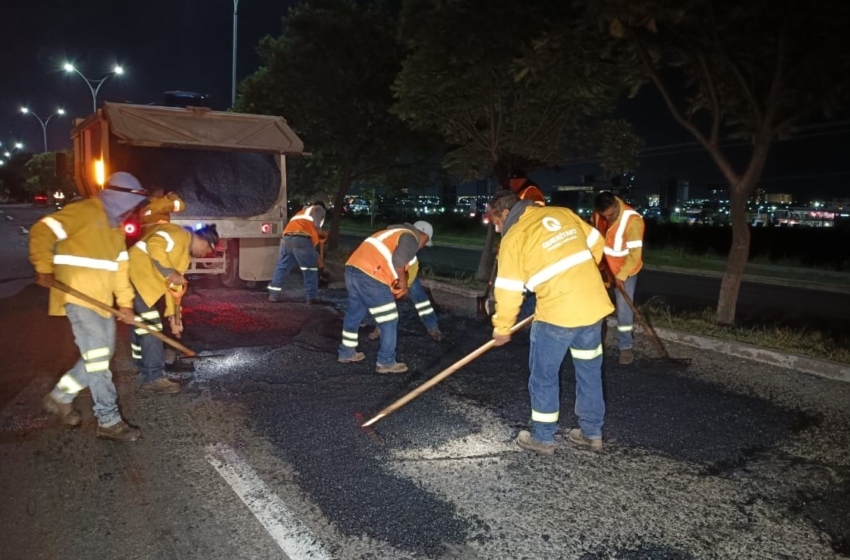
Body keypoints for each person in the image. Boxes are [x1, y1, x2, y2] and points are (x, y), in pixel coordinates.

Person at [487, 190, 613, 455]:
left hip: (557, 314)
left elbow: (509, 290)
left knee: (544, 376)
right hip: (592, 308)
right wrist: (582, 276)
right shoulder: (561, 213)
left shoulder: (514, 237)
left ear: (507, 213)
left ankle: (543, 439)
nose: (497, 227)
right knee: (589, 372)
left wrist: (502, 326)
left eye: (496, 221)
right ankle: (592, 434)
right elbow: (597, 243)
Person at [30, 172, 150, 442]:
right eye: (132, 202)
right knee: (97, 360)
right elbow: (42, 230)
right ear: (119, 196)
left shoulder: (115, 229)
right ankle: (108, 420)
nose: (133, 209)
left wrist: (126, 305)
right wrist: (44, 268)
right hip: (78, 300)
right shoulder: (82, 212)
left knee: (99, 358)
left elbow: (120, 271)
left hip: (103, 304)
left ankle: (60, 397)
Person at [129, 222, 220, 393]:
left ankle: (141, 365)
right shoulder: (177, 233)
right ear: (203, 241)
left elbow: (174, 289)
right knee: (152, 328)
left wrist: (174, 317)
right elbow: (154, 245)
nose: (204, 255)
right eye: (207, 251)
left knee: (140, 326)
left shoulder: (184, 256)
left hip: (140, 281)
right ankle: (153, 378)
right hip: (134, 275)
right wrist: (170, 273)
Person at [338, 221, 433, 374]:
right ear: (425, 237)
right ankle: (386, 361)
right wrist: (403, 283)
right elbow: (398, 262)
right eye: (425, 244)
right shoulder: (410, 237)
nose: (421, 248)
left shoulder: (390, 235)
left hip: (353, 270)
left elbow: (388, 262)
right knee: (389, 320)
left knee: (354, 313)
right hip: (372, 276)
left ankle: (346, 352)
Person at [590, 191, 645, 365]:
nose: (609, 218)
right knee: (596, 305)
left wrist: (620, 276)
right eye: (605, 216)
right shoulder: (598, 215)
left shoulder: (633, 220)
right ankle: (594, 342)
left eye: (611, 214)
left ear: (615, 204)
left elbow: (634, 254)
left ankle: (625, 347)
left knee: (624, 309)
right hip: (605, 268)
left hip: (626, 271)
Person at [267, 201, 328, 304]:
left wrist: (317, 257)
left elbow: (310, 248)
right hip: (301, 239)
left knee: (282, 267)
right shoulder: (318, 209)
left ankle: (273, 295)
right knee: (310, 269)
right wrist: (323, 234)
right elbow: (317, 228)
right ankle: (311, 297)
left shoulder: (301, 213)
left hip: (286, 239)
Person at [367, 262, 442, 342]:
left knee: (418, 296)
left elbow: (411, 265)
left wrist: (405, 283)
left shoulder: (407, 255)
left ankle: (432, 326)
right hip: (387, 270)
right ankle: (380, 327)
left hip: (407, 270)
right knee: (383, 299)